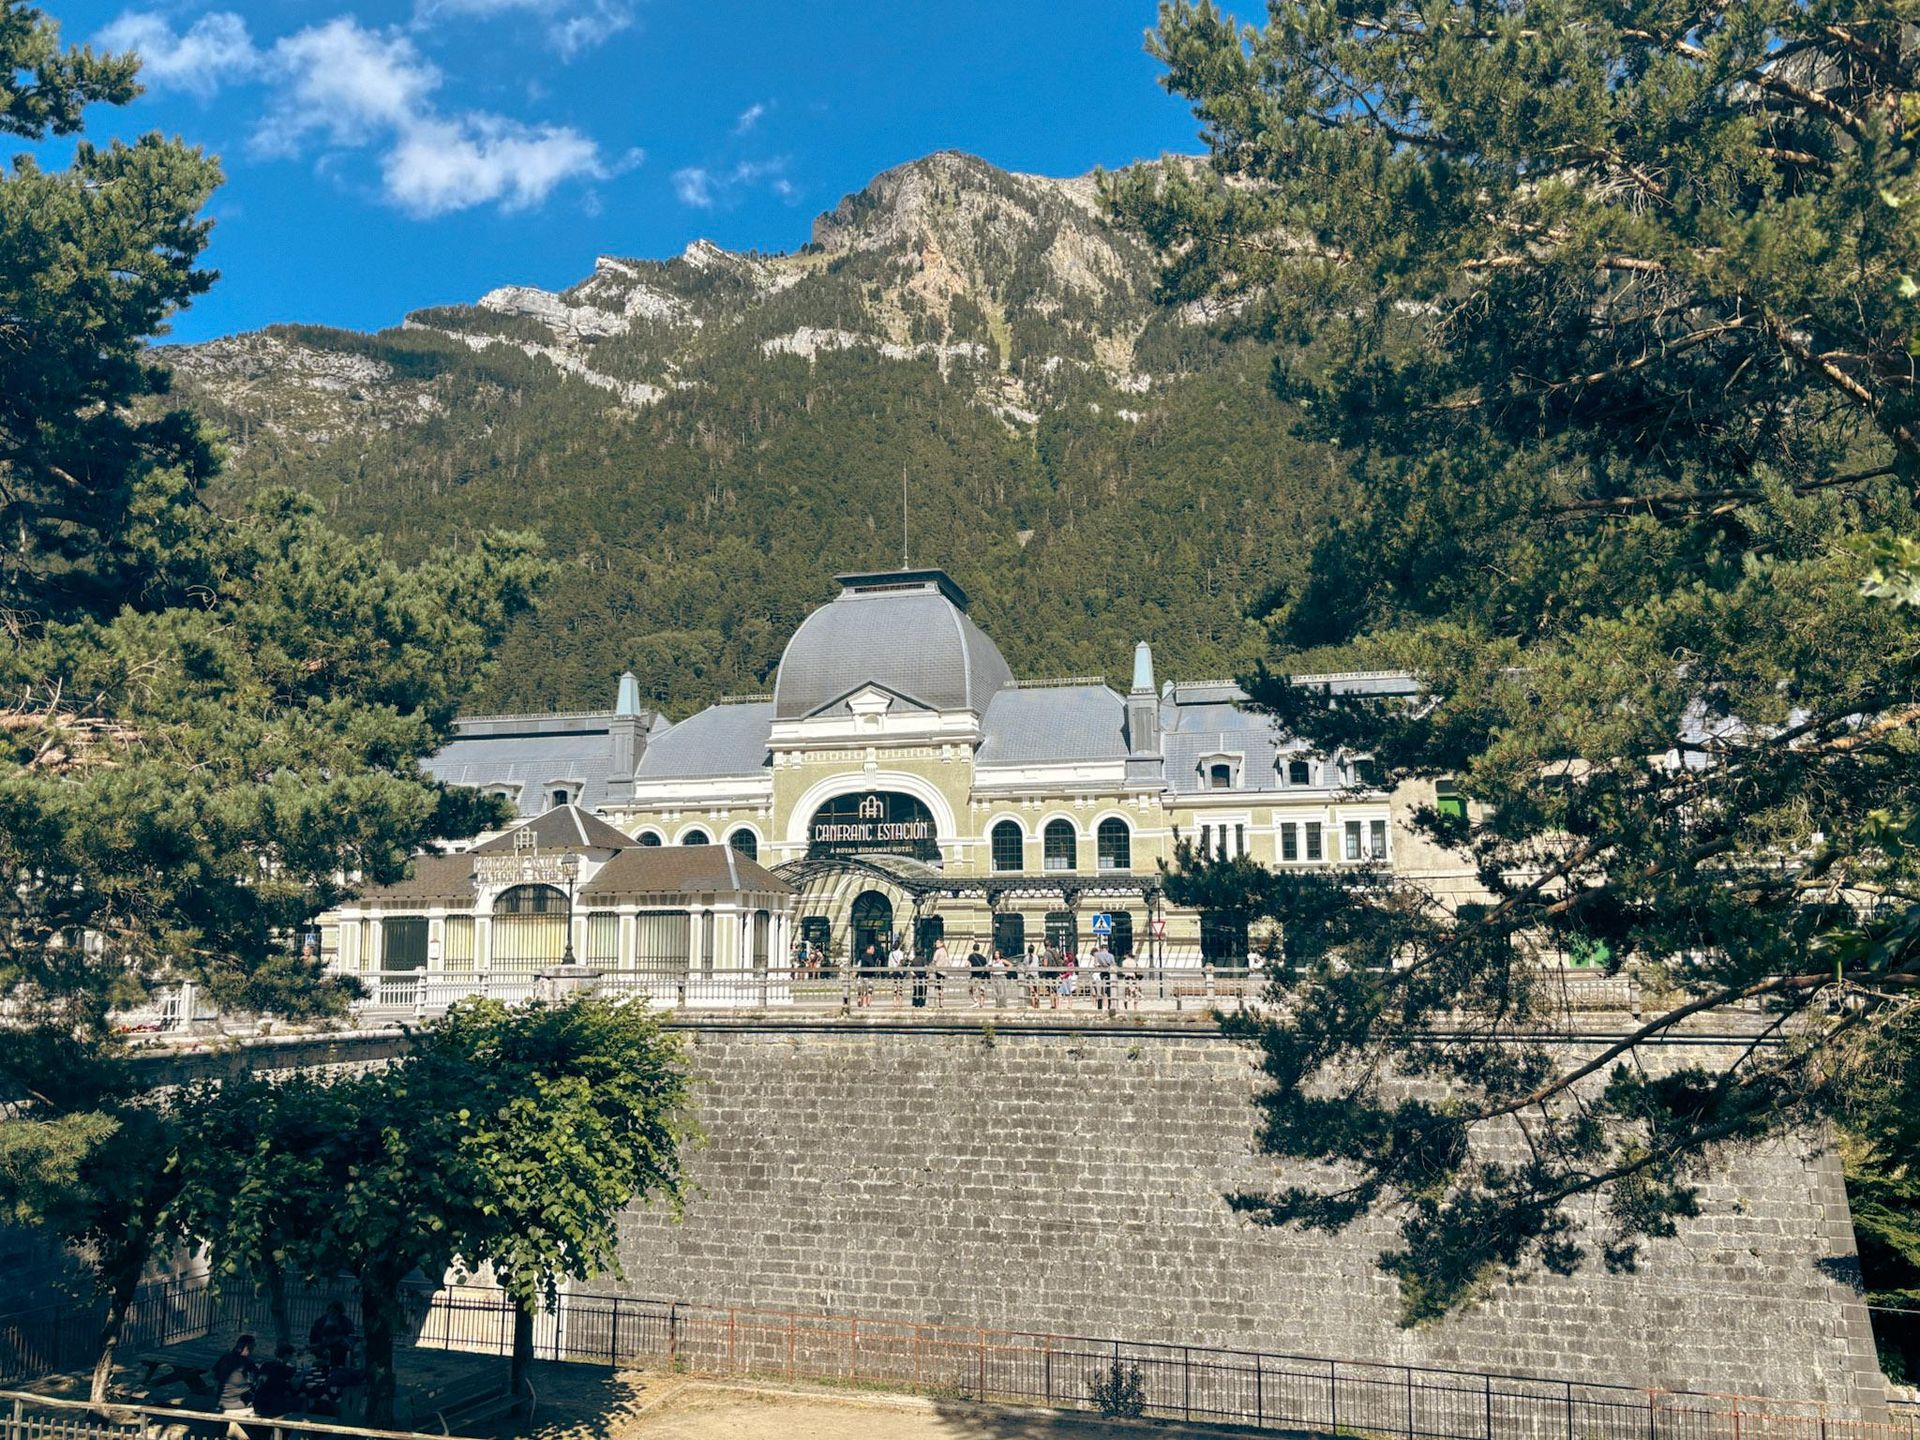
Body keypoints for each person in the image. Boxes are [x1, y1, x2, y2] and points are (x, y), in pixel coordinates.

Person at [211, 1334, 258, 1431]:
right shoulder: (247, 1363)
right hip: (239, 1405)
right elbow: (255, 1382)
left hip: (222, 1402)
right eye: (253, 1347)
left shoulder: (225, 1358)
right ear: (247, 1348)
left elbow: (214, 1376)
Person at [251, 1344, 302, 1420]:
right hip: (274, 1404)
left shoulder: (265, 1365)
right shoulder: (286, 1370)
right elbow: (294, 1387)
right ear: (287, 1355)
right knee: (300, 1401)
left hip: (259, 1402)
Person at [309, 1300, 355, 1368]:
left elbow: (349, 1337)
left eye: (335, 1312)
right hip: (321, 1347)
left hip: (339, 1349)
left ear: (339, 1313)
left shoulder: (346, 1322)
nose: (332, 1314)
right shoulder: (320, 1321)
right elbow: (313, 1335)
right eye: (330, 1312)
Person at [888, 937, 906, 1002]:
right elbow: (901, 962)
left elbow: (889, 963)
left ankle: (894, 1000)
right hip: (899, 971)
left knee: (894, 985)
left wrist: (890, 971)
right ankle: (900, 1000)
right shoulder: (900, 953)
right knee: (900, 986)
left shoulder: (891, 954)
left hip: (893, 971)